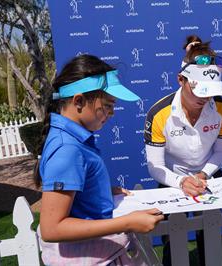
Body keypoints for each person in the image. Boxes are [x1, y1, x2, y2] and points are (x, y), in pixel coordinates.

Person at [34, 54, 164, 265]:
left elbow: (74, 192)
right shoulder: (67, 148)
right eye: (107, 105)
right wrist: (127, 223)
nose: (112, 113)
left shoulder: (73, 140)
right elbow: (52, 228)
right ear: (79, 101)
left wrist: (100, 190)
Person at [144, 35, 222, 266]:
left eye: (210, 91)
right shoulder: (159, 113)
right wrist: (182, 181)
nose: (205, 98)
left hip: (208, 178)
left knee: (211, 240)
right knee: (173, 246)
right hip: (171, 181)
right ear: (180, 80)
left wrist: (203, 175)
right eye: (199, 90)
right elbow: (155, 166)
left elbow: (221, 152)